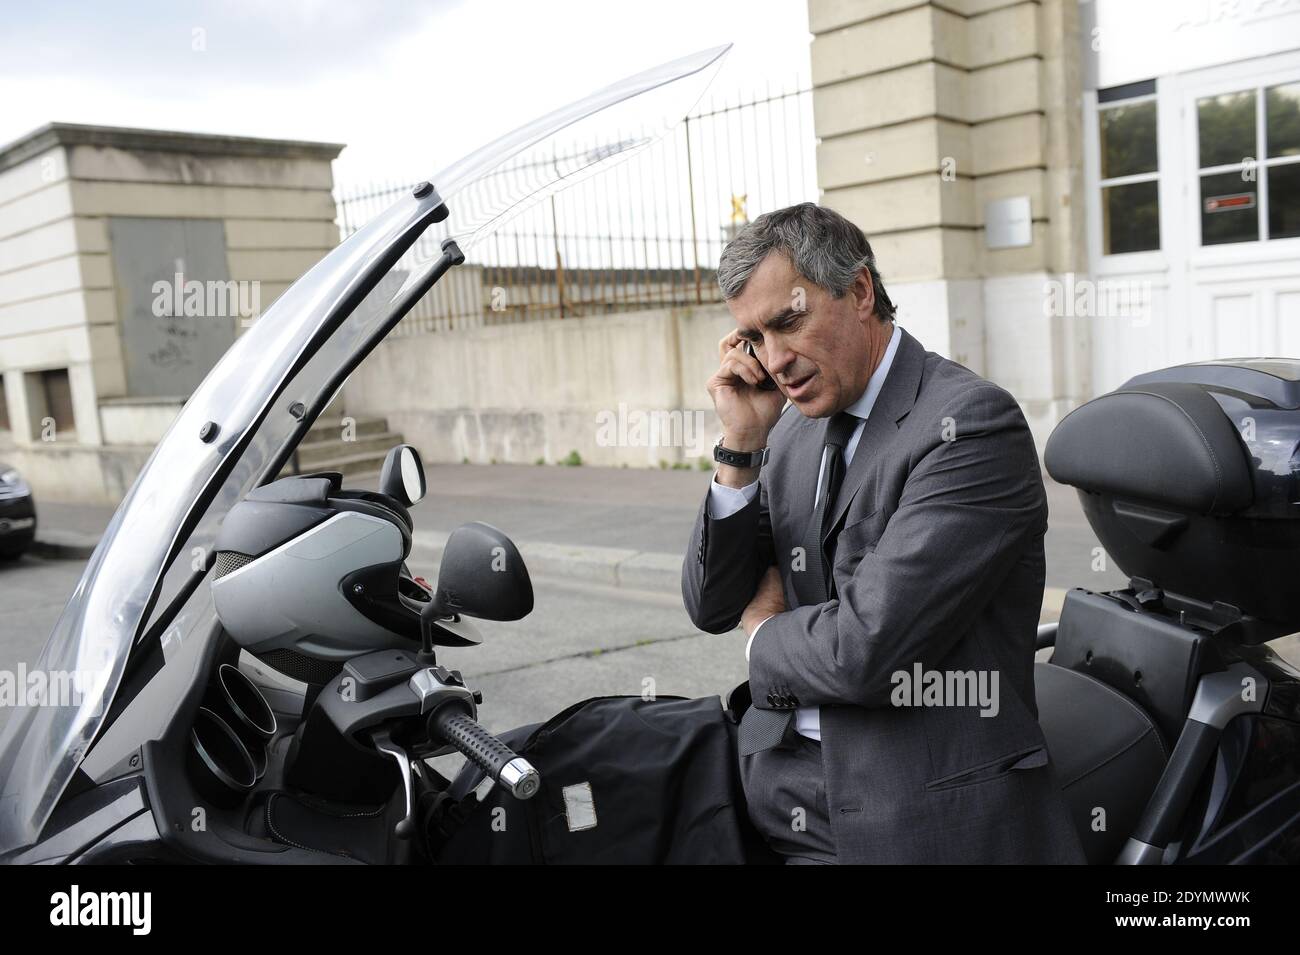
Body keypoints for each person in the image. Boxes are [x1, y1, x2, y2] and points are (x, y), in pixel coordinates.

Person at [681, 203, 1084, 864]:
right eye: (753, 337)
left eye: (789, 320)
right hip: (774, 792)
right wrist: (741, 443)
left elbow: (862, 650)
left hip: (913, 817)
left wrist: (764, 638)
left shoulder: (969, 425)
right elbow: (710, 604)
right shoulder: (789, 424)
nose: (776, 360)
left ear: (860, 291)